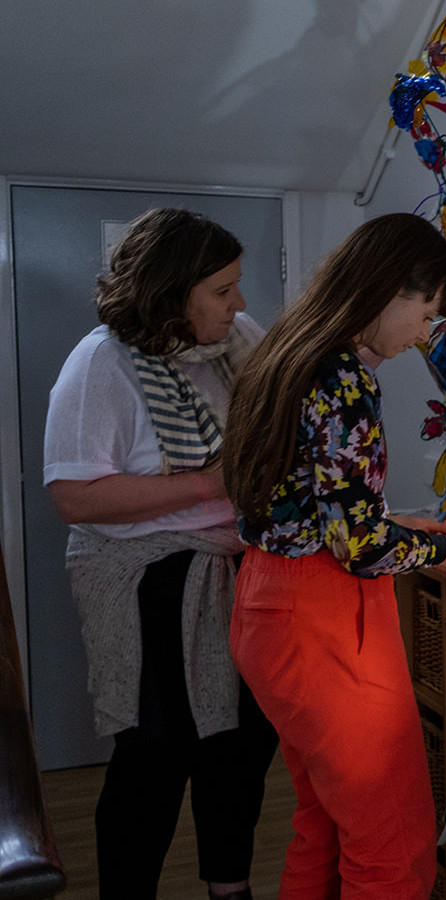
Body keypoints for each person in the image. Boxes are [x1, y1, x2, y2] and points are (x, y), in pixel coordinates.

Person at [221, 213, 446, 900]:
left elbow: (304, 503)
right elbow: (359, 548)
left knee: (327, 822)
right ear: (387, 290)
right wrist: (439, 550)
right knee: (389, 838)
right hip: (322, 618)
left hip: (268, 602)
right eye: (425, 314)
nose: (424, 336)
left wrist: (393, 520)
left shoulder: (289, 351)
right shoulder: (343, 380)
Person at [42, 207, 281, 900]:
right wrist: (214, 481)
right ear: (171, 292)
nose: (239, 302)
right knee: (155, 757)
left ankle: (228, 888)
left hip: (235, 568)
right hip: (151, 580)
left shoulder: (235, 340)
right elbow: (76, 499)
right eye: (221, 289)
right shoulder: (102, 364)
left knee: (237, 749)